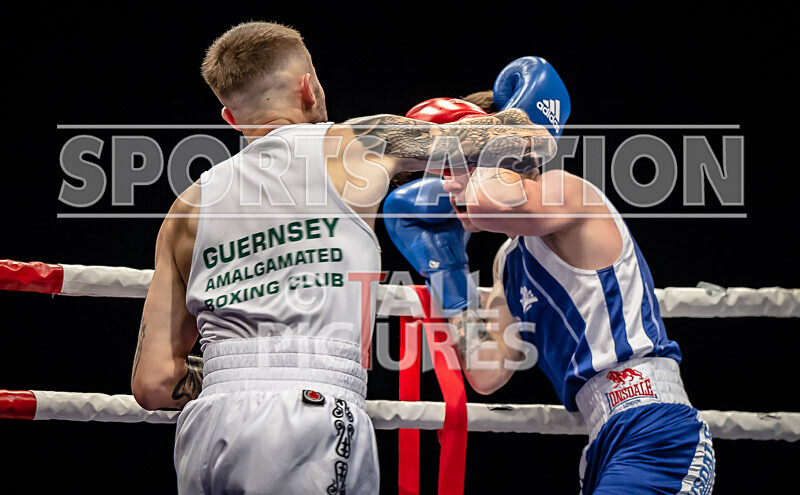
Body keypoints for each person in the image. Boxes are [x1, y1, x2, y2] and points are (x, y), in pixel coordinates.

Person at [129, 22, 553, 494]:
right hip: (308, 413)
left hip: (207, 427)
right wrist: (530, 102)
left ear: (231, 117)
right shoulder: (358, 142)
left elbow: (153, 382)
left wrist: (242, 377)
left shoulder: (185, 208)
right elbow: (527, 138)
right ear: (308, 87)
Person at [384, 57, 715, 494]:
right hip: (604, 441)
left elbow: (488, 201)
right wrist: (450, 278)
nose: (444, 185)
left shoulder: (569, 192)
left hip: (655, 430)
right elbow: (488, 372)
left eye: (454, 167)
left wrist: (500, 139)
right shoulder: (509, 261)